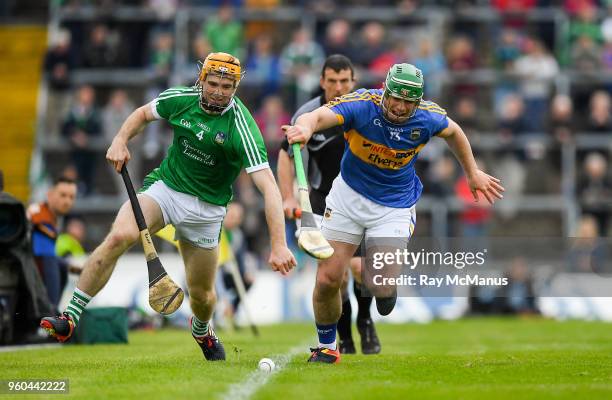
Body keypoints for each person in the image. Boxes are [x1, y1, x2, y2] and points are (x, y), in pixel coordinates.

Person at [40, 52, 296, 362]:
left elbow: (268, 187)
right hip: (166, 189)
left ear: (236, 88)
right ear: (201, 80)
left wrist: (279, 244)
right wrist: (121, 139)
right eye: (212, 83)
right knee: (119, 237)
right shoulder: (180, 98)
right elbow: (142, 115)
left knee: (202, 296)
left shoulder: (241, 126)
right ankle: (69, 318)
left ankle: (202, 330)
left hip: (207, 210)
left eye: (226, 87)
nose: (218, 91)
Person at [283, 63, 504, 364]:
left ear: (417, 101)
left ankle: (385, 287)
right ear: (385, 92)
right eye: (395, 98)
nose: (400, 107)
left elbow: (454, 132)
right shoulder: (363, 104)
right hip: (348, 197)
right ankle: (326, 347)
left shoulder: (427, 116)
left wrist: (472, 172)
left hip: (394, 207)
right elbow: (319, 115)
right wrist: (306, 128)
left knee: (380, 285)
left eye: (408, 102)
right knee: (328, 278)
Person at [278, 54, 381, 355]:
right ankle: (345, 336)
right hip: (325, 201)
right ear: (322, 82)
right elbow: (286, 155)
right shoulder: (309, 115)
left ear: (354, 82)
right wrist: (287, 195)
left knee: (363, 270)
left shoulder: (366, 109)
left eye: (344, 81)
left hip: (364, 199)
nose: (338, 87)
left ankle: (365, 320)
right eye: (332, 81)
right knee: (337, 275)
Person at [27, 176, 77, 312]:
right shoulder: (40, 215)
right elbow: (46, 257)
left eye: (71, 197)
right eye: (63, 195)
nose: (67, 201)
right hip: (27, 271)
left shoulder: (50, 216)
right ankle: (51, 313)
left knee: (61, 267)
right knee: (55, 264)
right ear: (49, 195)